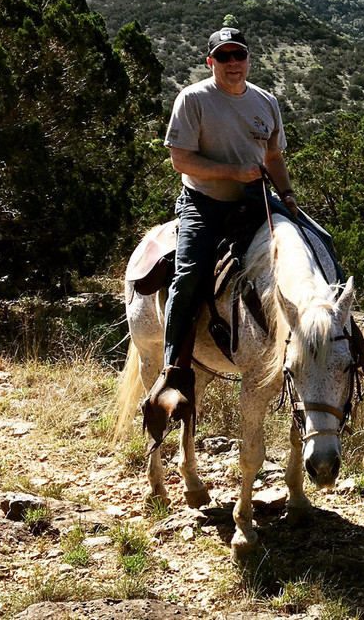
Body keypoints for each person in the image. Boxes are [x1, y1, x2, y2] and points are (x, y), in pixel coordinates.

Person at [143, 26, 298, 440]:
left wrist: (288, 195)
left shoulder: (265, 101)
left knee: (319, 245)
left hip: (256, 200)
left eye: (239, 55)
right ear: (210, 61)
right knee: (190, 273)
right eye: (224, 57)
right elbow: (181, 160)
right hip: (205, 204)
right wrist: (232, 171)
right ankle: (174, 369)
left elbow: (273, 154)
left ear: (248, 58)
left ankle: (336, 345)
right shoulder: (193, 99)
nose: (233, 63)